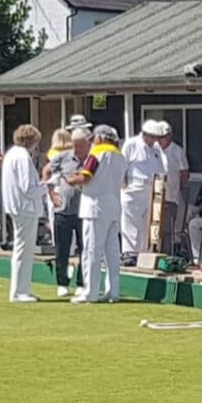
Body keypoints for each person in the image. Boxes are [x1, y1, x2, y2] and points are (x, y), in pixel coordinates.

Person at [68, 125, 127, 304]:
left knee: (92, 251)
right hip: (113, 207)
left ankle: (90, 292)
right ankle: (113, 291)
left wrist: (71, 180)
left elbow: (86, 177)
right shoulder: (120, 156)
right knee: (112, 253)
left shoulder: (97, 153)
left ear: (101, 138)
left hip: (94, 206)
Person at [1, 124, 45, 303]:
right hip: (25, 208)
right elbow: (28, 188)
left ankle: (21, 289)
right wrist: (46, 186)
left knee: (22, 250)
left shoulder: (11, 154)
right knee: (23, 251)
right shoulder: (22, 157)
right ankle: (19, 292)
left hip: (17, 206)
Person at [47, 127, 89, 298]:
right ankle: (62, 282)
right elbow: (47, 171)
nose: (77, 150)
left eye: (80, 146)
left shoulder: (92, 159)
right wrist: (51, 193)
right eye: (75, 146)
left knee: (84, 248)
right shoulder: (63, 157)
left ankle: (81, 282)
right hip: (63, 210)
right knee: (62, 249)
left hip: (84, 211)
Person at [121, 119, 164, 255]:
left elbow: (161, 169)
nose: (153, 140)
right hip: (134, 189)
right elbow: (122, 166)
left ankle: (143, 253)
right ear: (144, 134)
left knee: (147, 225)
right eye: (152, 136)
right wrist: (124, 186)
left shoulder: (156, 149)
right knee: (131, 224)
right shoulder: (131, 144)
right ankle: (130, 254)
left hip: (151, 190)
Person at [156, 121, 190, 255]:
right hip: (154, 196)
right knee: (154, 228)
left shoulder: (177, 151)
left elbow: (185, 173)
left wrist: (178, 188)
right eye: (158, 137)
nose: (160, 140)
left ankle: (166, 255)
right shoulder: (154, 149)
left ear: (169, 136)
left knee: (168, 230)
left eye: (163, 137)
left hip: (171, 196)